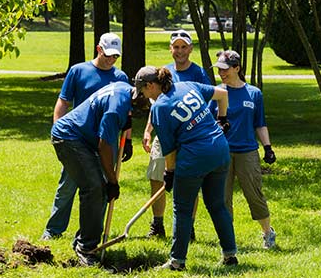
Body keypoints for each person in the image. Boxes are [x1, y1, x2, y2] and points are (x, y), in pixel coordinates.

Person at [134, 66, 238, 270]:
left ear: (151, 85)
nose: (144, 97)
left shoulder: (159, 108)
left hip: (194, 158)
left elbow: (170, 150)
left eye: (143, 92)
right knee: (217, 205)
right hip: (219, 151)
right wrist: (222, 120)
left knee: (182, 209)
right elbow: (223, 95)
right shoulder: (188, 86)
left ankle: (177, 262)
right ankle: (230, 256)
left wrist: (169, 173)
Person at [41, 33, 131, 240]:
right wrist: (57, 130)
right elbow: (63, 102)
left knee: (102, 187)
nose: (111, 60)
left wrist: (127, 140)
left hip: (106, 141)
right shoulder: (79, 71)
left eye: (115, 56)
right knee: (68, 185)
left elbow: (126, 115)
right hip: (79, 139)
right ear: (99, 49)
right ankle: (53, 230)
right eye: (108, 55)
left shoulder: (121, 77)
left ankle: (92, 230)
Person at [50, 81, 135, 266]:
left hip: (83, 138)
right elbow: (104, 147)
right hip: (68, 137)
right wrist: (112, 181)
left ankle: (83, 240)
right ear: (146, 88)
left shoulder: (124, 88)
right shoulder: (115, 110)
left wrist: (127, 123)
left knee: (98, 190)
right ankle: (86, 249)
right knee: (95, 188)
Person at [142, 29, 211, 240]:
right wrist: (147, 130)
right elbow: (157, 105)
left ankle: (187, 228)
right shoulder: (163, 74)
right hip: (163, 133)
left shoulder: (199, 74)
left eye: (184, 47)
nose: (180, 51)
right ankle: (158, 224)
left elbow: (206, 105)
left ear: (190, 49)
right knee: (157, 176)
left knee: (190, 181)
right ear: (170, 49)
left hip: (189, 136)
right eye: (176, 47)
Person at [210, 50, 277, 249]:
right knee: (222, 198)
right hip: (222, 152)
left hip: (247, 151)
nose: (221, 73)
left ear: (237, 68)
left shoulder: (254, 93)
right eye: (219, 70)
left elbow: (260, 123)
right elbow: (208, 121)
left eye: (225, 69)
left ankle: (267, 233)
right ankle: (228, 241)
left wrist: (268, 147)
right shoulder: (216, 92)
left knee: (254, 194)